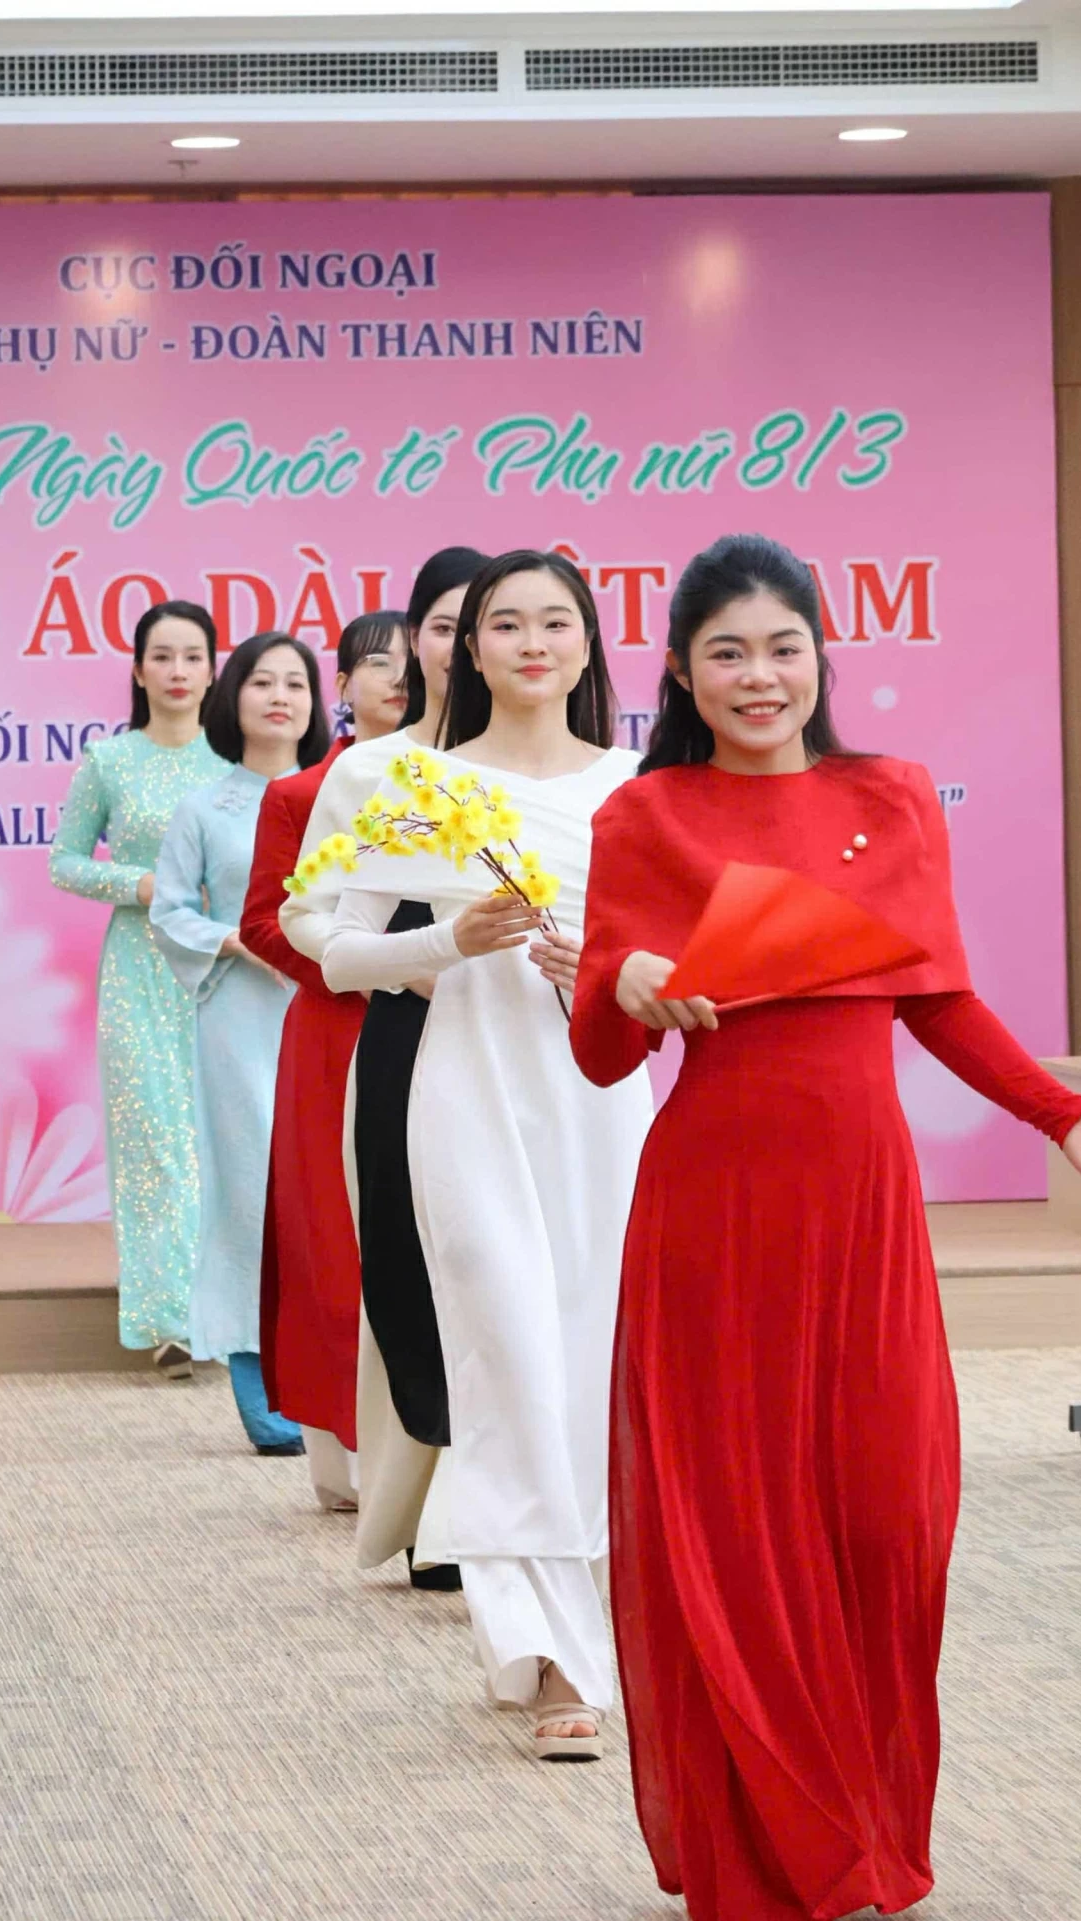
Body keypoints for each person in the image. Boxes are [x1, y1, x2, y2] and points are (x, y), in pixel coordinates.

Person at [569, 532, 1081, 1918]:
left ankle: (868, 1822)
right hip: (717, 1213)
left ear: (822, 656)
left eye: (784, 646)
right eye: (728, 651)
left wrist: (1060, 1113)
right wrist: (628, 980)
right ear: (681, 668)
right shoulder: (647, 816)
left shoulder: (893, 797)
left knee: (886, 1516)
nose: (761, 676)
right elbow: (601, 1052)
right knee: (736, 1534)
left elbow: (940, 998)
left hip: (863, 1209)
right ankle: (770, 1849)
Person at [320, 550, 655, 1758]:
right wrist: (450, 941)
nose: (527, 642)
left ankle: (593, 1619)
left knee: (593, 1360)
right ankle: (551, 1650)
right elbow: (335, 951)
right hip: (461, 1097)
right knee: (505, 1352)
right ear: (463, 649)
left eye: (552, 621)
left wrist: (617, 975)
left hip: (606, 1106)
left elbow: (702, 960)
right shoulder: (407, 780)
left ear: (585, 643)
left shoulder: (639, 787)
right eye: (501, 623)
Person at [282, 545, 488, 1590]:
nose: (471, 644)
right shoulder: (368, 770)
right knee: (412, 1268)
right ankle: (425, 1494)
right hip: (409, 1035)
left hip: (535, 1050)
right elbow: (307, 918)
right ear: (414, 639)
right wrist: (415, 962)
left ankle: (489, 1509)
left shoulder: (563, 769)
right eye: (447, 625)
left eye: (491, 622)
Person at [239, 609, 408, 1506]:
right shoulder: (304, 795)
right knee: (331, 1237)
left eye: (416, 661)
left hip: (437, 1026)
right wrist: (370, 970)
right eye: (375, 664)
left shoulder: (456, 791)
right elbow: (263, 920)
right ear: (338, 685)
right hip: (336, 1030)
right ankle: (342, 1456)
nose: (398, 677)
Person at [150, 631, 329, 1450]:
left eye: (297, 682)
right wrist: (234, 941)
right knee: (253, 1193)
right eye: (263, 681)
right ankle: (260, 1381)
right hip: (237, 1018)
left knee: (324, 1189)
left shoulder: (340, 797)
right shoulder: (204, 807)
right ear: (236, 697)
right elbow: (169, 911)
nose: (280, 696)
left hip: (324, 1008)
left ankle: (329, 1376)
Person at [49, 600, 228, 1370]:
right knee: (153, 1137)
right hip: (137, 964)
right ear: (137, 669)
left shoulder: (235, 767)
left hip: (220, 970)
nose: (179, 671)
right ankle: (169, 1318)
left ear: (215, 669)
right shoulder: (109, 761)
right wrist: (143, 883)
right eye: (163, 656)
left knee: (219, 1137)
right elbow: (65, 861)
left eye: (193, 656)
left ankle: (226, 1310)